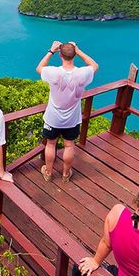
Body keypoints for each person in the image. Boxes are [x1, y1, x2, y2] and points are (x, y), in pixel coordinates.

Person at [36, 41, 98, 183]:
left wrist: (51, 50)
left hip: (53, 118)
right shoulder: (82, 73)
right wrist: (78, 50)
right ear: (74, 54)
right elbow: (94, 65)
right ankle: (65, 174)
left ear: (60, 55)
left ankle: (49, 172)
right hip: (72, 119)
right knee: (69, 145)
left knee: (50, 144)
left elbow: (39, 68)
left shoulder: (54, 72)